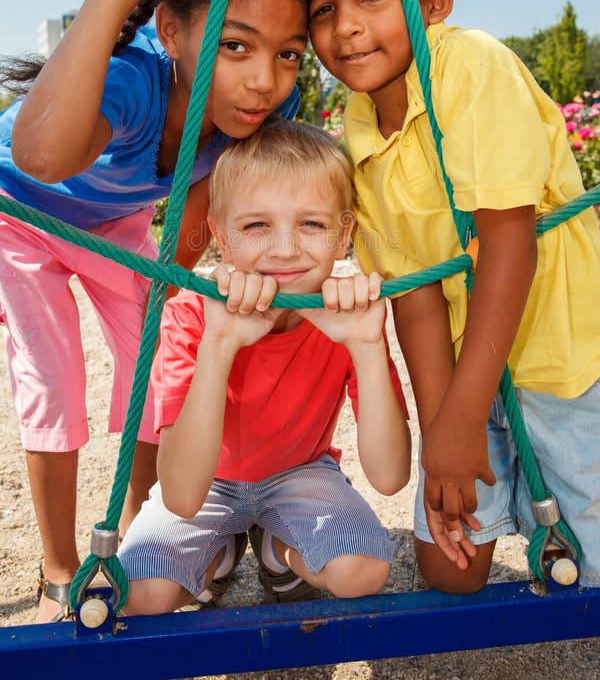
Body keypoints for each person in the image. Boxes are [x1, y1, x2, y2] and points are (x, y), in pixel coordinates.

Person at [0, 0, 311, 622]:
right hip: (18, 210)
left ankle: (140, 526)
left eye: (286, 54)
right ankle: (57, 569)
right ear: (172, 30)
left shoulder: (260, 111)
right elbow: (41, 156)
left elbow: (196, 214)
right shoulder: (135, 80)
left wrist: (189, 287)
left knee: (158, 352)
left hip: (114, 221)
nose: (264, 78)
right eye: (235, 46)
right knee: (53, 376)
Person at [297, 0, 600, 593]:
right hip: (471, 361)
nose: (346, 27)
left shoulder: (469, 67)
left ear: (434, 0)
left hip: (560, 356)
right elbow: (417, 296)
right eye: (323, 8)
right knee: (449, 571)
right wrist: (444, 438)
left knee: (589, 575)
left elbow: (509, 244)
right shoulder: (361, 128)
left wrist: (465, 418)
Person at [118, 118, 411, 613]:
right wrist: (219, 345)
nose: (284, 248)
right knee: (140, 596)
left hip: (300, 473)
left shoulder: (344, 316)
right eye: (257, 225)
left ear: (344, 236)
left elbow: (390, 477)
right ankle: (222, 547)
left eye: (311, 224)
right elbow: (182, 496)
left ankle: (277, 550)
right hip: (208, 481)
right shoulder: (190, 315)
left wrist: (364, 345)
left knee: (364, 571)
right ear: (221, 237)